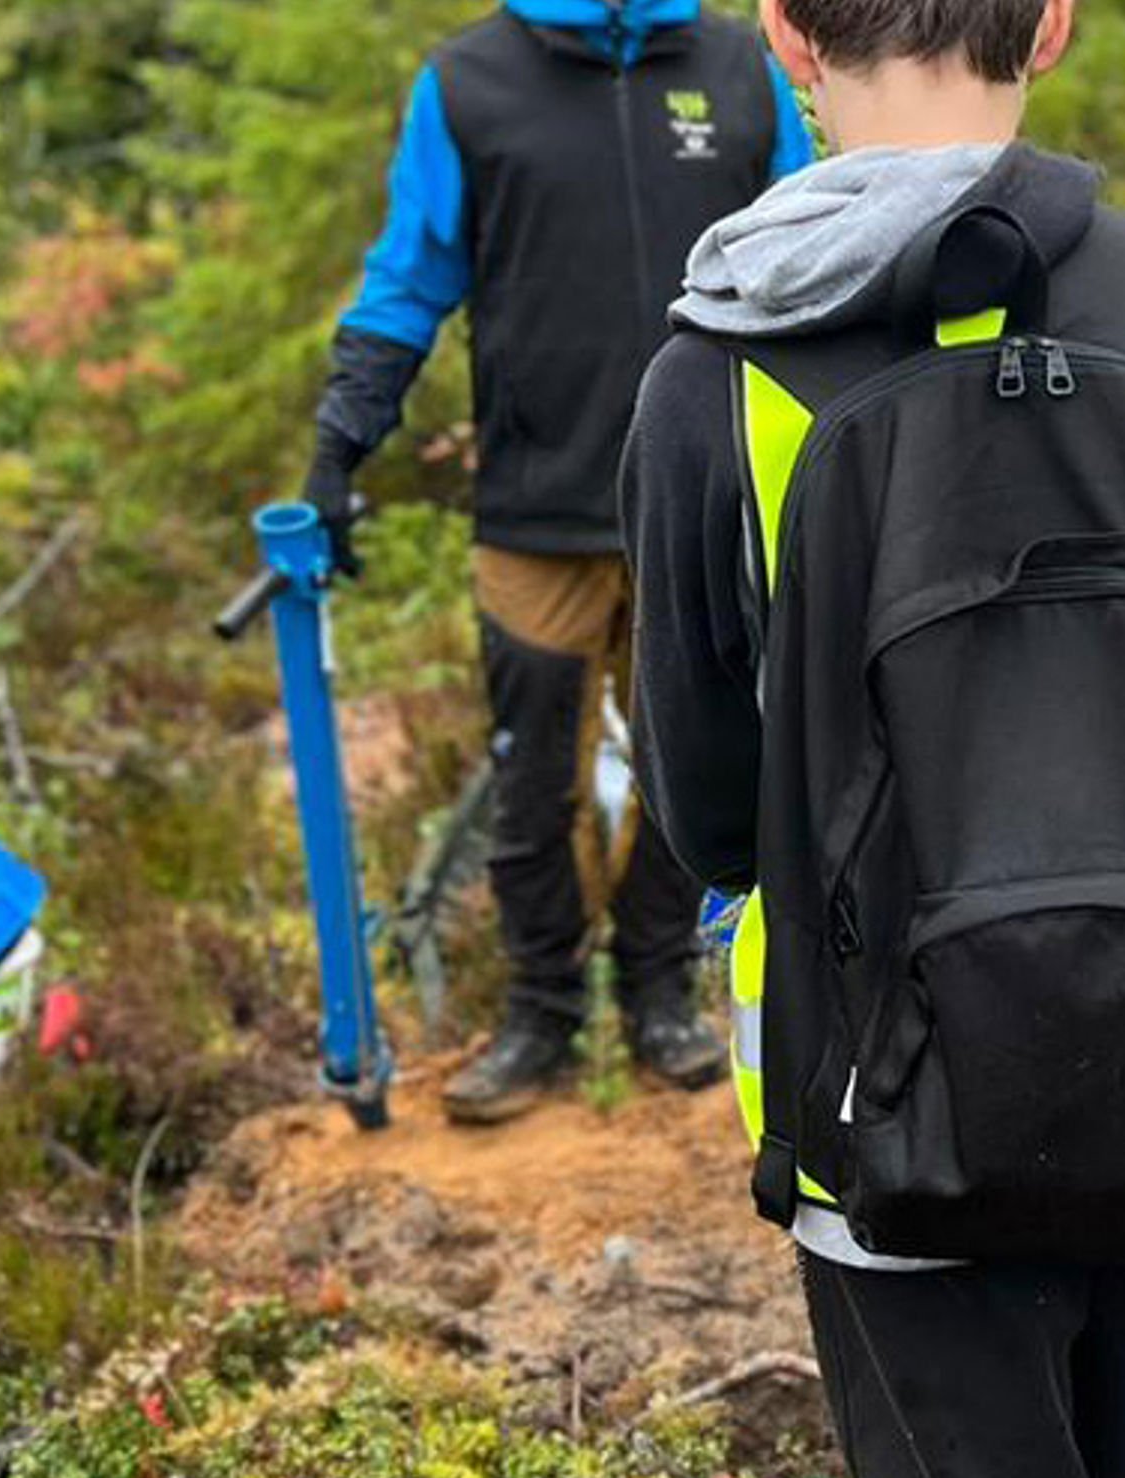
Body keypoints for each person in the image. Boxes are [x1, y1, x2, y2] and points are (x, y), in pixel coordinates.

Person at [621, 0, 1125, 1471]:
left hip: (884, 1107)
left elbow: (711, 819)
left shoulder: (710, 385)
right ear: (1054, 24)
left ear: (782, 32)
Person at [303, 0, 814, 1125]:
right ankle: (541, 1008)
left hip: (703, 495)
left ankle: (658, 991)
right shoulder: (470, 82)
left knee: (702, 761)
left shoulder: (738, 66)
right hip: (537, 506)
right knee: (534, 769)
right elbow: (409, 279)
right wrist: (341, 444)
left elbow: (816, 250)